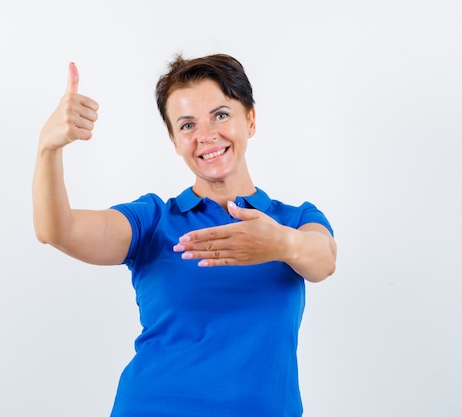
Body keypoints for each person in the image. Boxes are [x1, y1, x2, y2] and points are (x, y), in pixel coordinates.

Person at [33, 53, 337, 417]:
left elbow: (324, 261)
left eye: (221, 115)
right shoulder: (153, 221)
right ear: (175, 141)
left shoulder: (295, 219)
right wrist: (48, 149)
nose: (206, 135)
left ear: (250, 120)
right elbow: (56, 230)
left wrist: (280, 243)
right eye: (187, 125)